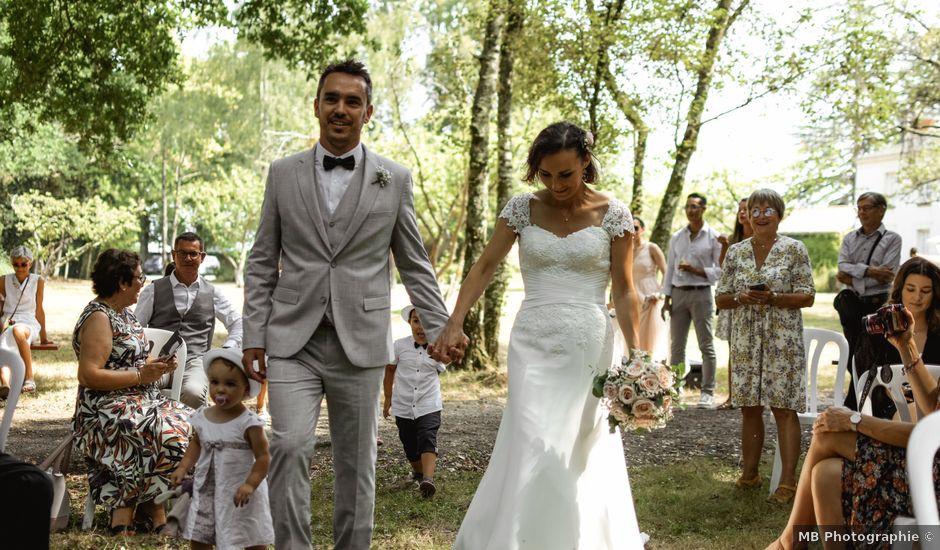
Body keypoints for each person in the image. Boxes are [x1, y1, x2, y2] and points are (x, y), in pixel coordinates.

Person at [242, 59, 463, 550]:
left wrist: (442, 326)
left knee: (356, 461)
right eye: (332, 99)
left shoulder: (395, 178)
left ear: (368, 112)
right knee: (290, 445)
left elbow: (414, 264)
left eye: (352, 101)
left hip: (360, 344)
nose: (340, 109)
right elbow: (261, 260)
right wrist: (253, 333)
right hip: (291, 339)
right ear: (317, 105)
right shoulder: (282, 174)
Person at [434, 121, 644, 549]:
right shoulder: (521, 209)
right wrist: (456, 319)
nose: (555, 184)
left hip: (589, 342)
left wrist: (640, 354)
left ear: (586, 161)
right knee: (530, 436)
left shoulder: (614, 214)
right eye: (545, 175)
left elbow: (624, 290)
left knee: (580, 444)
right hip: (532, 340)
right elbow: (485, 266)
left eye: (565, 173)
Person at [766, 257, 940, 550]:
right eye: (911, 289)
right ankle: (791, 541)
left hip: (928, 469)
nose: (917, 297)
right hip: (913, 450)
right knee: (824, 473)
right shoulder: (888, 333)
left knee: (828, 434)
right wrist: (906, 344)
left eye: (926, 290)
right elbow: (930, 402)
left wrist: (855, 421)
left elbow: (928, 434)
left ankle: (790, 542)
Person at [72, 249, 190, 535]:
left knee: (192, 423)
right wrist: (140, 375)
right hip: (104, 408)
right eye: (139, 277)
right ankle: (146, 511)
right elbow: (88, 374)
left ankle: (140, 510)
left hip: (138, 399)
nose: (143, 282)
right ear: (122, 282)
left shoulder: (124, 313)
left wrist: (156, 367)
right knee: (165, 431)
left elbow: (130, 361)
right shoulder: (99, 317)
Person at [715, 189, 815, 505]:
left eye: (767, 209)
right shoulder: (736, 252)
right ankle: (749, 474)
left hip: (782, 342)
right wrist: (740, 297)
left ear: (778, 214)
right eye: (754, 209)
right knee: (750, 408)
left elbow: (808, 295)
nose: (759, 215)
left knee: (784, 409)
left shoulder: (794, 250)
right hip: (746, 341)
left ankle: (787, 483)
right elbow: (721, 298)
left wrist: (774, 298)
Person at [171, 347, 274, 550]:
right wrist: (183, 467)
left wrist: (250, 485)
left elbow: (263, 458)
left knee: (250, 533)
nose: (220, 389)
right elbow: (196, 443)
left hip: (240, 490)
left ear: (246, 389)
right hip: (208, 488)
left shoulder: (249, 423)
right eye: (214, 382)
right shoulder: (203, 417)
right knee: (201, 534)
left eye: (230, 384)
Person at [136, 232, 243, 409]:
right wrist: (145, 357)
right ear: (173, 255)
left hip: (195, 362)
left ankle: (190, 436)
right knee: (140, 386)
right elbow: (136, 328)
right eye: (182, 253)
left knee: (193, 393)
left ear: (202, 257)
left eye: (193, 254)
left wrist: (227, 349)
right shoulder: (153, 290)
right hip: (157, 359)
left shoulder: (213, 292)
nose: (188, 258)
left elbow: (238, 323)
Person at [836, 192, 901, 411]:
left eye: (867, 207)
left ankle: (862, 400)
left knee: (874, 352)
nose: (862, 212)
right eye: (859, 208)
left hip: (878, 304)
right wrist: (871, 271)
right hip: (853, 305)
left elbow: (888, 274)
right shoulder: (849, 238)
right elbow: (842, 267)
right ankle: (863, 398)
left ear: (881, 210)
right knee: (854, 352)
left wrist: (854, 275)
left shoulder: (892, 239)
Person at [661, 192, 723, 408]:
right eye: (687, 206)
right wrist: (666, 298)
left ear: (703, 209)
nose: (690, 210)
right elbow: (669, 268)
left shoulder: (713, 237)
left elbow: (720, 271)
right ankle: (675, 389)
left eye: (695, 206)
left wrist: (696, 270)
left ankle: (707, 392)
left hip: (701, 294)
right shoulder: (677, 237)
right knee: (677, 346)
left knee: (706, 344)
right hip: (678, 294)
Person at [383, 305, 445, 498]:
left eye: (426, 322)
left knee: (428, 437)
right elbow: (390, 371)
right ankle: (419, 473)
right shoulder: (399, 346)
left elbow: (446, 362)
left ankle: (428, 480)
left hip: (429, 404)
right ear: (410, 323)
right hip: (403, 405)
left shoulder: (438, 349)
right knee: (409, 444)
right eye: (416, 321)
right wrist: (388, 398)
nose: (421, 327)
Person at [716, 198, 754, 409]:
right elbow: (724, 268)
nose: (741, 213)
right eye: (739, 210)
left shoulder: (762, 239)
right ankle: (733, 396)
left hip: (757, 301)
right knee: (734, 350)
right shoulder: (734, 239)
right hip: (735, 301)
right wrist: (724, 246)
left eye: (746, 209)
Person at [0, 245, 53, 396]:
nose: (20, 268)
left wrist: (44, 337)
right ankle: (5, 385)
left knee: (18, 330)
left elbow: (39, 310)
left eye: (23, 264)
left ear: (30, 263)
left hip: (28, 322)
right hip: (8, 321)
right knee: (3, 345)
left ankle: (29, 378)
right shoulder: (3, 280)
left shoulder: (38, 281)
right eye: (16, 264)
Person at [631, 217, 667, 357]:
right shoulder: (626, 250)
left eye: (636, 227)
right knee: (634, 340)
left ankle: (651, 374)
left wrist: (660, 294)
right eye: (630, 227)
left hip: (650, 297)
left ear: (643, 230)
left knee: (649, 340)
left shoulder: (651, 247)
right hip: (633, 298)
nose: (633, 231)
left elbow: (666, 271)